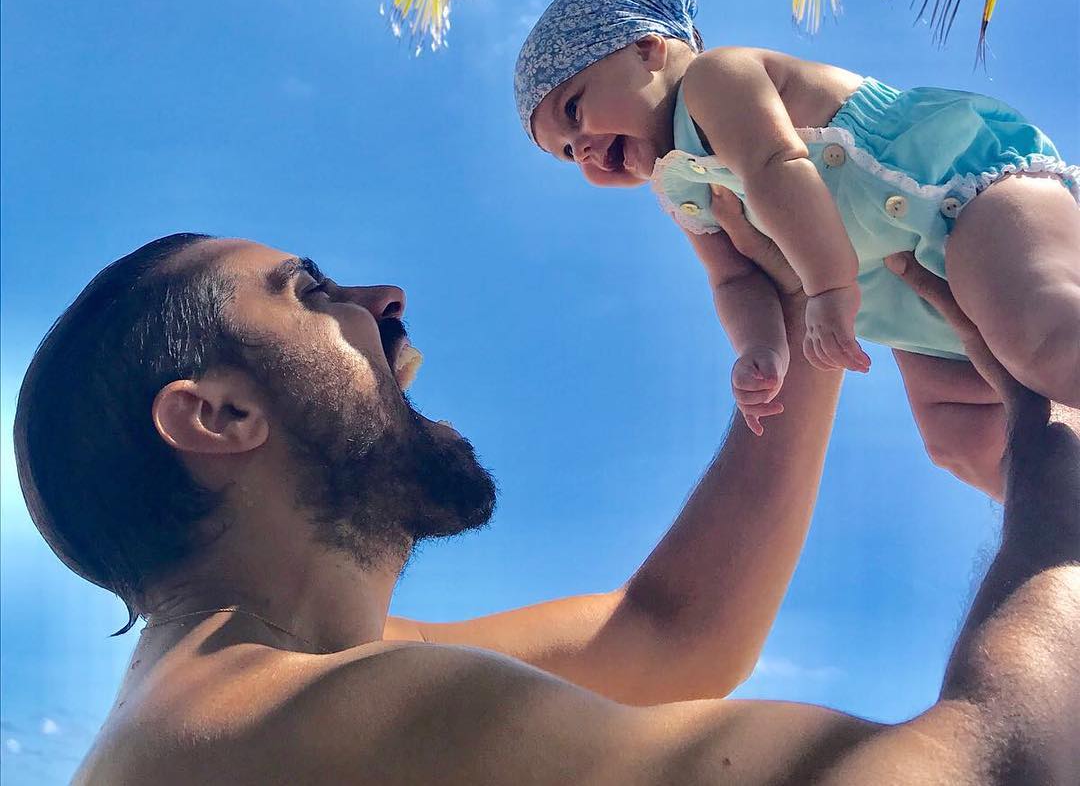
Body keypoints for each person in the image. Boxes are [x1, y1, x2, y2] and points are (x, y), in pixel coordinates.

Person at [13, 232, 1080, 783]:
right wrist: (1059, 438)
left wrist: (805, 304)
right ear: (219, 415)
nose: (382, 300)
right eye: (308, 291)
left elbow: (672, 633)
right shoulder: (291, 725)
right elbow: (1003, 772)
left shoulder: (263, 694)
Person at [515, 0, 1080, 463]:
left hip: (961, 197)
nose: (582, 148)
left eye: (574, 109)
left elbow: (776, 165)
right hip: (912, 304)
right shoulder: (682, 189)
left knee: (1047, 340)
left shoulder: (716, 79)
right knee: (957, 438)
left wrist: (828, 290)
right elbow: (734, 280)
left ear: (647, 49)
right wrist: (760, 348)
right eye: (567, 153)